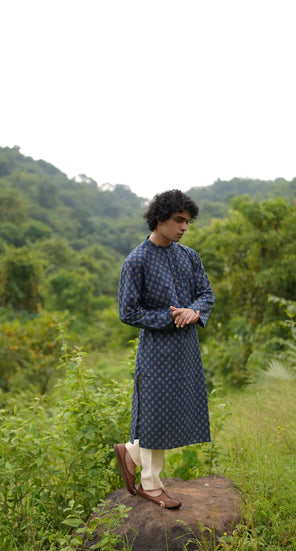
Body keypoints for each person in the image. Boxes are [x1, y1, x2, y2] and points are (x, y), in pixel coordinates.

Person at [114, 189, 215, 509]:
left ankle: (130, 454)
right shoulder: (137, 260)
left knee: (173, 412)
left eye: (188, 221)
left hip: (187, 349)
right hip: (156, 349)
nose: (184, 227)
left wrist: (194, 311)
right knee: (156, 413)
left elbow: (206, 294)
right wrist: (171, 317)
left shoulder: (189, 256)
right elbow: (127, 312)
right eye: (178, 220)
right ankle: (150, 484)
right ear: (159, 219)